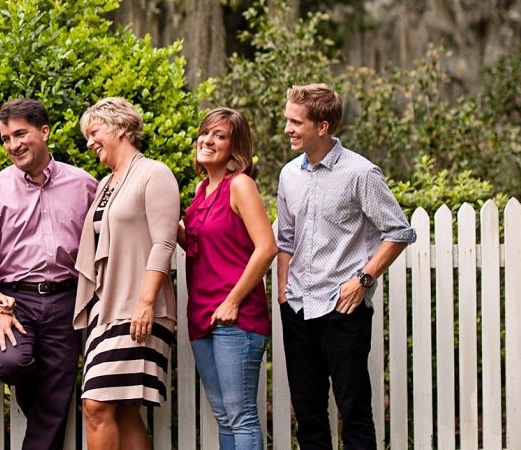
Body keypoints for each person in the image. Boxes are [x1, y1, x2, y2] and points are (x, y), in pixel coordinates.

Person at [276, 84, 416, 449]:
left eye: (295, 121)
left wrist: (363, 280)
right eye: (287, 120)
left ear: (322, 126)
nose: (287, 128)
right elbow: (285, 240)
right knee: (307, 415)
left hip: (342, 309)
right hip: (298, 308)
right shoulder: (289, 174)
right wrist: (282, 292)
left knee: (353, 411)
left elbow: (399, 231)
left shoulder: (361, 173)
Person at [0, 98, 98, 450]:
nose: (13, 145)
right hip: (15, 300)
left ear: (44, 131)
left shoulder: (84, 185)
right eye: (6, 138)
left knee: (57, 395)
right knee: (9, 363)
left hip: (69, 299)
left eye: (20, 134)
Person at [74, 97, 180, 450]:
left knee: (95, 405)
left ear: (120, 128)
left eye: (94, 132)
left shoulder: (154, 173)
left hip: (138, 308)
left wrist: (146, 303)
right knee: (122, 412)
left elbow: (163, 243)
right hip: (105, 310)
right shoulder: (106, 183)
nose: (89, 142)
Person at [178, 108, 277, 450]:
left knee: (241, 415)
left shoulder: (241, 185)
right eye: (205, 133)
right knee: (224, 415)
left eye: (219, 136)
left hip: (236, 317)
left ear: (235, 149)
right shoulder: (201, 190)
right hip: (202, 315)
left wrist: (232, 300)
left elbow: (266, 248)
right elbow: (196, 246)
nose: (207, 140)